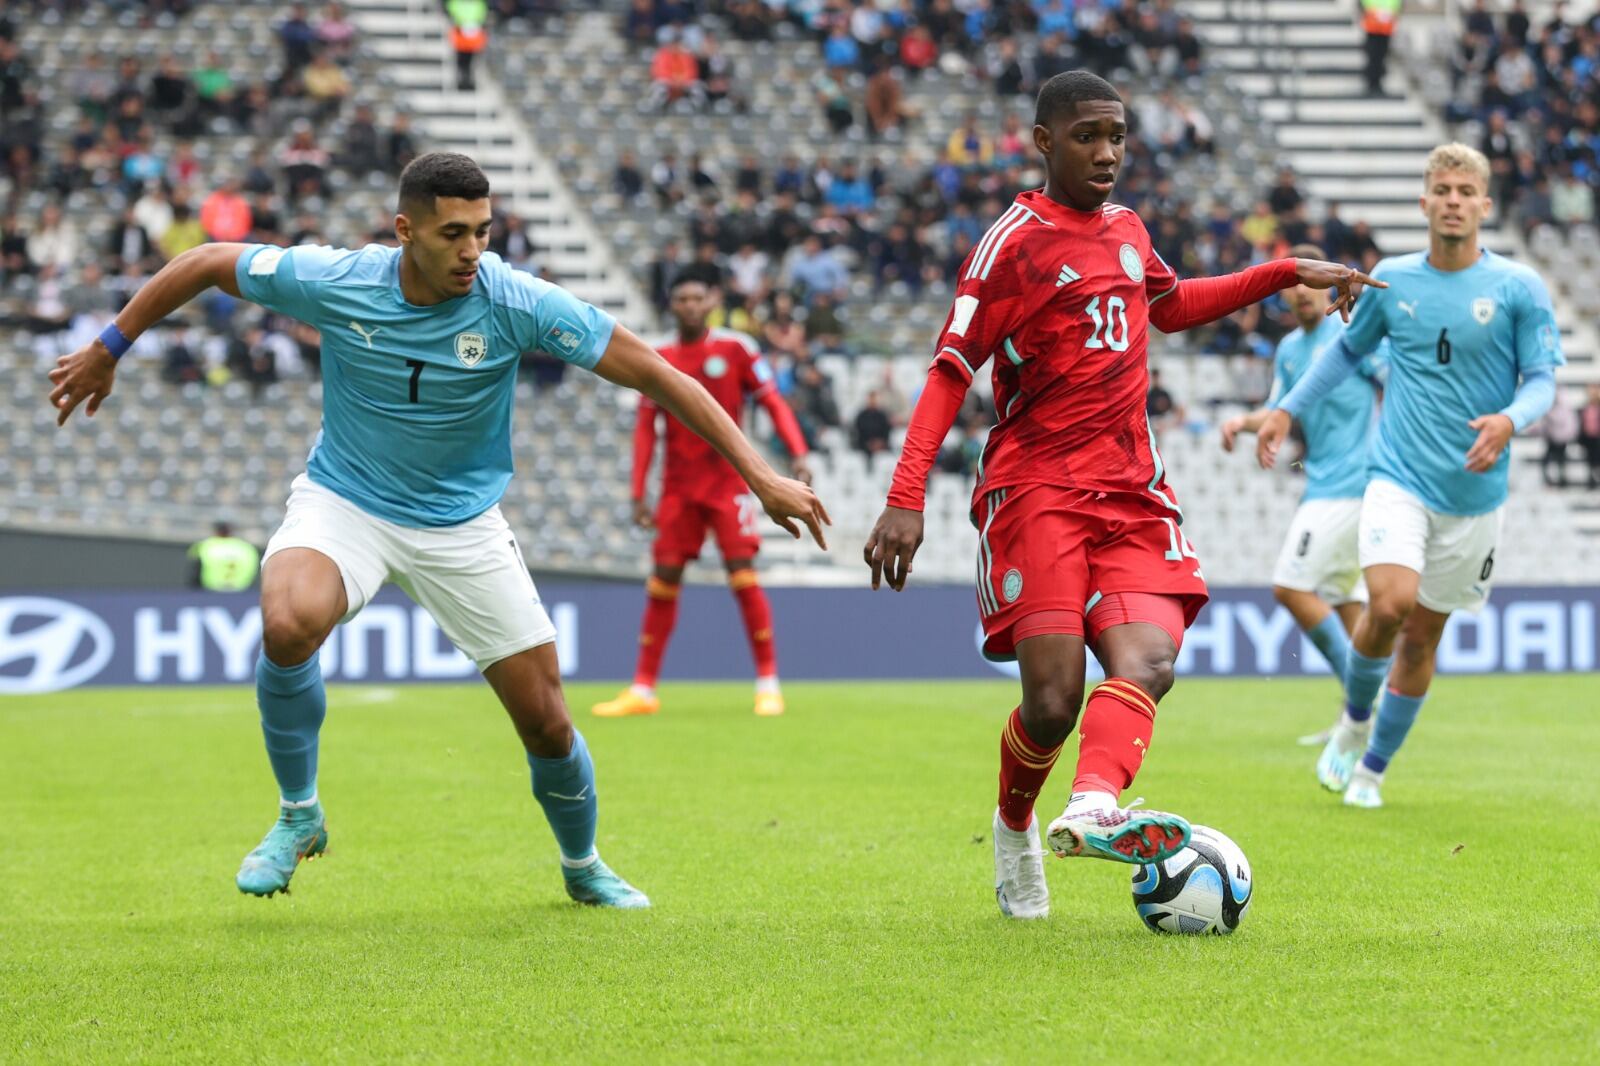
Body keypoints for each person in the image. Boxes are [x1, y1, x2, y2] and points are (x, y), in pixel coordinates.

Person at [48, 152, 828, 906]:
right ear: (404, 230)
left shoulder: (517, 301)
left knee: (549, 723)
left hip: (462, 524)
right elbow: (207, 260)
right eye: (453, 232)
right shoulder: (340, 280)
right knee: (287, 623)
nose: (472, 250)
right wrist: (109, 347)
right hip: (347, 500)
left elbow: (659, 374)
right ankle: (298, 816)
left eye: (483, 231)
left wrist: (758, 475)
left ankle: (583, 865)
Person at [862, 71, 1375, 921]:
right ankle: (1014, 822)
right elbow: (952, 366)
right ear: (1044, 141)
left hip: (1131, 489)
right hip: (1038, 491)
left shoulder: (1130, 230)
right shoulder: (1013, 242)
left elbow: (1170, 306)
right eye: (1089, 136)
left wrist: (1283, 272)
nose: (1107, 153)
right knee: (1054, 700)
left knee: (1150, 661)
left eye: (1118, 136)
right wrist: (905, 494)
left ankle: (1092, 804)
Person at [1257, 143, 1561, 809]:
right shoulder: (1391, 282)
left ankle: (1373, 769)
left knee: (1422, 637)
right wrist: (1284, 410)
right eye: (1442, 189)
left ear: (1484, 204)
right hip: (1396, 477)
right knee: (1389, 605)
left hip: (1476, 494)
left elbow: (1542, 382)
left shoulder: (1518, 288)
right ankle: (1354, 719)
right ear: (1424, 203)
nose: (1453, 200)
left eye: (1465, 191)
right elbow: (1344, 354)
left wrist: (1510, 420)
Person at [592, 276, 813, 720]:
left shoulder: (737, 349)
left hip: (728, 485)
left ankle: (768, 684)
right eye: (682, 299)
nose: (691, 305)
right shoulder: (659, 357)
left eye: (698, 297)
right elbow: (644, 431)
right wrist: (639, 492)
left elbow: (772, 401)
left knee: (742, 575)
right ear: (672, 305)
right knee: (663, 580)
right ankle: (643, 689)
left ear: (711, 301)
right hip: (678, 489)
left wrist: (798, 452)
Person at [1221, 242, 1386, 735]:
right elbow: (1279, 411)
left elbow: (1396, 382)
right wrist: (1240, 422)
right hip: (1328, 483)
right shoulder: (1291, 351)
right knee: (1344, 599)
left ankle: (1363, 708)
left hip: (1353, 484)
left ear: (1326, 282)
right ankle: (1362, 712)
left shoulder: (1352, 334)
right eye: (1292, 284)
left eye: (1307, 282)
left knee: (1290, 586)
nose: (1302, 293)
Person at [188, 521, 262, 591]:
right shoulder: (247, 547)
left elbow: (195, 570)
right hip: (242, 591)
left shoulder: (205, 545)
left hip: (210, 591)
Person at [1579, 383, 1600, 489]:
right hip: (1588, 438)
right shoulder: (1585, 407)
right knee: (1590, 461)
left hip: (1597, 438)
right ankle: (1592, 481)